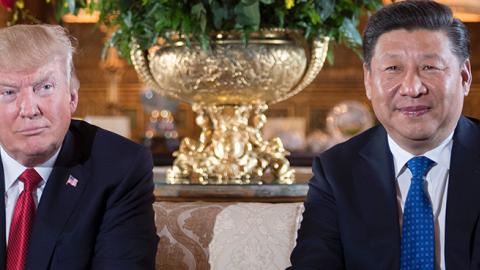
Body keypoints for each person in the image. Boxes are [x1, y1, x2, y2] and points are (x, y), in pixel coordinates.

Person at [289, 1, 475, 269]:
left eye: (430, 67)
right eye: (393, 69)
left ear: (464, 76)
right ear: (368, 81)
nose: (412, 88)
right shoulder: (337, 171)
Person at [0, 24, 158, 269]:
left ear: (72, 97)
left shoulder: (119, 169)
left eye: (45, 88)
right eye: (8, 92)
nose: (30, 109)